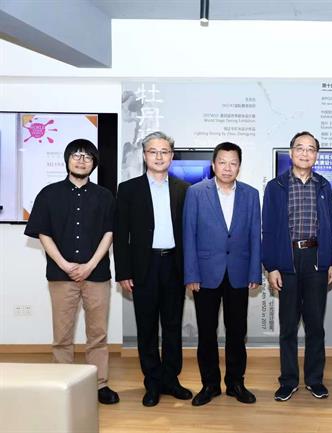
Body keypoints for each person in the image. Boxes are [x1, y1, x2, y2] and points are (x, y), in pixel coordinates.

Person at [24, 139, 119, 404]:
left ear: (94, 164)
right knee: (62, 336)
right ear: (67, 160)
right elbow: (43, 233)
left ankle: (100, 384)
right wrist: (65, 265)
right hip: (60, 275)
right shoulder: (48, 194)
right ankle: (61, 384)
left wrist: (90, 265)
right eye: (76, 155)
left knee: (98, 335)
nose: (81, 160)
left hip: (97, 275)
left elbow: (109, 233)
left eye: (87, 157)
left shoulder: (105, 196)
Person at [114, 131, 192, 407]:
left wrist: (191, 271)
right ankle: (152, 382)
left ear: (172, 156)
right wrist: (123, 271)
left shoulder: (184, 189)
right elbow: (121, 235)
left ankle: (171, 379)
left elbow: (190, 234)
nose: (159, 157)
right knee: (146, 327)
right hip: (143, 266)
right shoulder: (128, 189)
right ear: (144, 155)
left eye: (164, 151)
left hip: (174, 265)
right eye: (153, 151)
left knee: (172, 326)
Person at [183, 142, 261, 406]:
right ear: (213, 164)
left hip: (239, 272)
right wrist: (191, 274)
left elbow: (255, 235)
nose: (228, 168)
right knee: (207, 332)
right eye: (223, 162)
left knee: (237, 332)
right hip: (205, 273)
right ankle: (210, 384)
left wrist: (255, 272)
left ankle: (236, 383)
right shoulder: (196, 192)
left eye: (233, 163)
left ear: (239, 166)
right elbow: (189, 235)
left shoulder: (251, 194)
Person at [262, 131, 332, 401]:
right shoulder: (276, 186)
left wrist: (330, 261)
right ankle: (289, 381)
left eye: (311, 149)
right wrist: (271, 266)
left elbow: (329, 227)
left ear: (316, 154)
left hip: (316, 259)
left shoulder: (324, 185)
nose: (305, 153)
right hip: (287, 259)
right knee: (288, 326)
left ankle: (315, 380)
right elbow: (268, 228)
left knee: (316, 325)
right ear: (291, 152)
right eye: (300, 148)